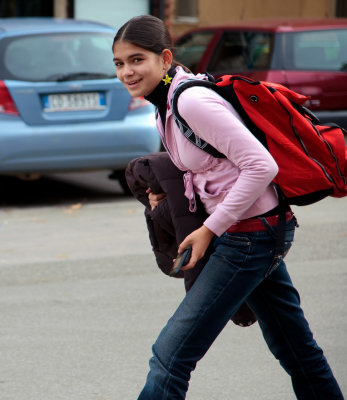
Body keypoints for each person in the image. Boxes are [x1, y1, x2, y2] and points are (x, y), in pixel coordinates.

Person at [112, 15, 344, 400]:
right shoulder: (163, 105)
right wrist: (168, 196)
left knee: (169, 358)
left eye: (137, 60)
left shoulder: (192, 100)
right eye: (119, 63)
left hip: (249, 238)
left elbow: (260, 165)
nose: (127, 72)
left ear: (165, 59)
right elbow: (212, 165)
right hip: (254, 232)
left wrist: (208, 229)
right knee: (297, 350)